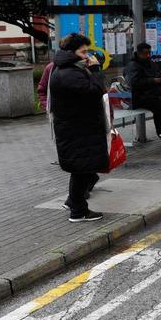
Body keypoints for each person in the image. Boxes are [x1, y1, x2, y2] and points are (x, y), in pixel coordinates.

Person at [49, 33, 107, 223]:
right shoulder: (68, 73)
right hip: (77, 130)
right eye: (83, 52)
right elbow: (95, 92)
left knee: (84, 170)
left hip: (79, 128)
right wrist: (96, 69)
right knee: (81, 171)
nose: (87, 55)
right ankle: (78, 211)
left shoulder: (69, 69)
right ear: (72, 52)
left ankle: (73, 202)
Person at [124, 43, 161, 144]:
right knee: (159, 107)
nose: (148, 55)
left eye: (149, 53)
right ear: (139, 53)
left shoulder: (151, 63)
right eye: (145, 53)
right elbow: (134, 83)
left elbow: (157, 74)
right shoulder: (133, 65)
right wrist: (153, 81)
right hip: (139, 96)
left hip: (153, 93)